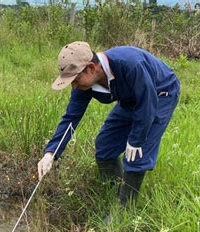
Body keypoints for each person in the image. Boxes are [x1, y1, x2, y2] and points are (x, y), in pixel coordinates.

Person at [37, 42, 180, 206]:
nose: (74, 86)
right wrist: (51, 153)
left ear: (91, 68)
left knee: (137, 153)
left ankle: (125, 208)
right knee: (105, 146)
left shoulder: (131, 65)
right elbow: (71, 117)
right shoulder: (84, 86)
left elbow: (147, 104)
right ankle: (113, 194)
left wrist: (136, 139)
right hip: (129, 98)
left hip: (160, 93)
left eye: (75, 79)